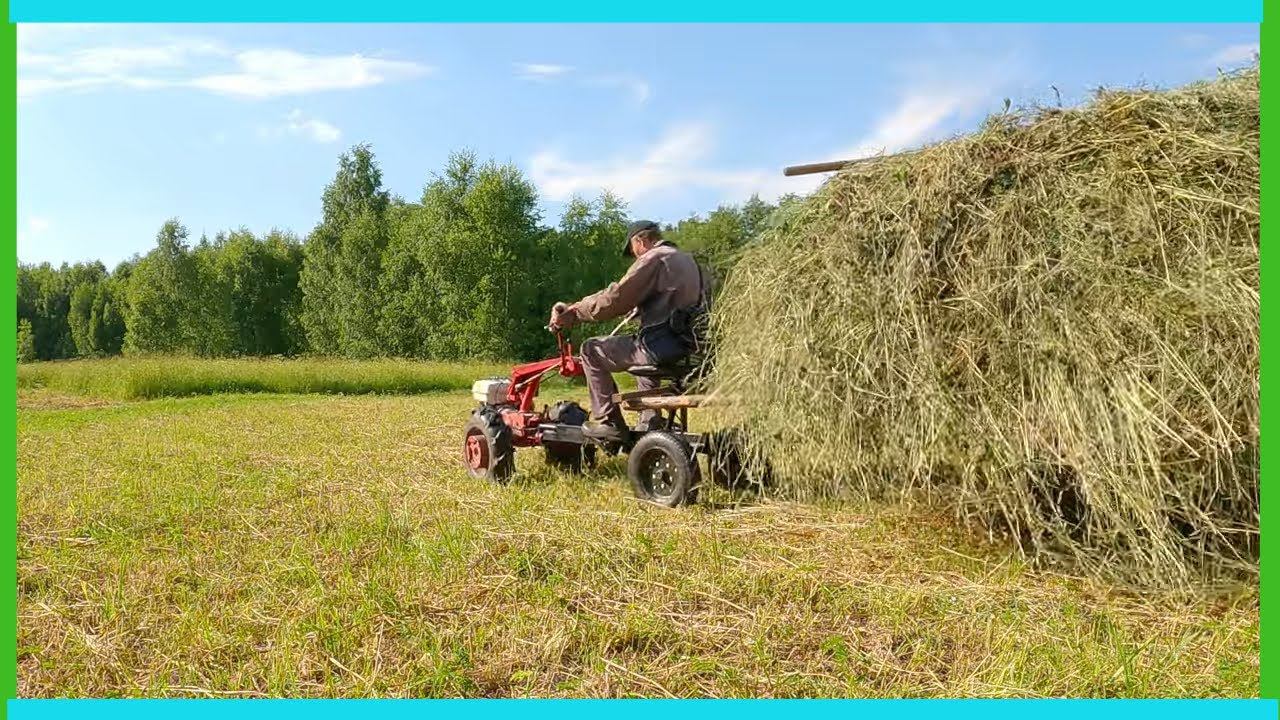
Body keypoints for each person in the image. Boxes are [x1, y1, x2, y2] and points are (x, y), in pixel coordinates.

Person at [549, 220, 706, 442]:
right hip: (689, 346)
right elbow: (677, 304)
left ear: (640, 241)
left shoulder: (654, 258)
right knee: (638, 357)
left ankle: (608, 422)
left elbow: (615, 299)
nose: (635, 257)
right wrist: (640, 308)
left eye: (633, 251)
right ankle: (650, 420)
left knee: (590, 350)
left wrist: (575, 311)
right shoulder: (689, 261)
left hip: (661, 345)